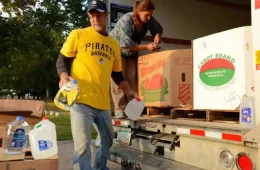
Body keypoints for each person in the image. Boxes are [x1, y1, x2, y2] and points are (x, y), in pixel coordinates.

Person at [55, 0, 138, 170]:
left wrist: (129, 91)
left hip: (103, 104)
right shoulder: (78, 35)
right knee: (83, 146)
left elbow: (117, 74)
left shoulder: (114, 44)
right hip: (81, 101)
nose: (95, 19)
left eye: (99, 15)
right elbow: (62, 60)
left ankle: (100, 168)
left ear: (107, 16)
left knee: (106, 140)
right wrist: (64, 77)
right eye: (92, 16)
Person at [109, 0, 163, 118]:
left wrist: (157, 37)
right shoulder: (127, 19)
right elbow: (125, 43)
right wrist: (147, 47)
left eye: (151, 14)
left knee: (131, 78)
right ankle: (120, 109)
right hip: (118, 50)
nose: (149, 17)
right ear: (138, 11)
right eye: (146, 15)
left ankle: (132, 108)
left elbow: (158, 28)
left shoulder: (149, 20)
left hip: (132, 53)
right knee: (118, 79)